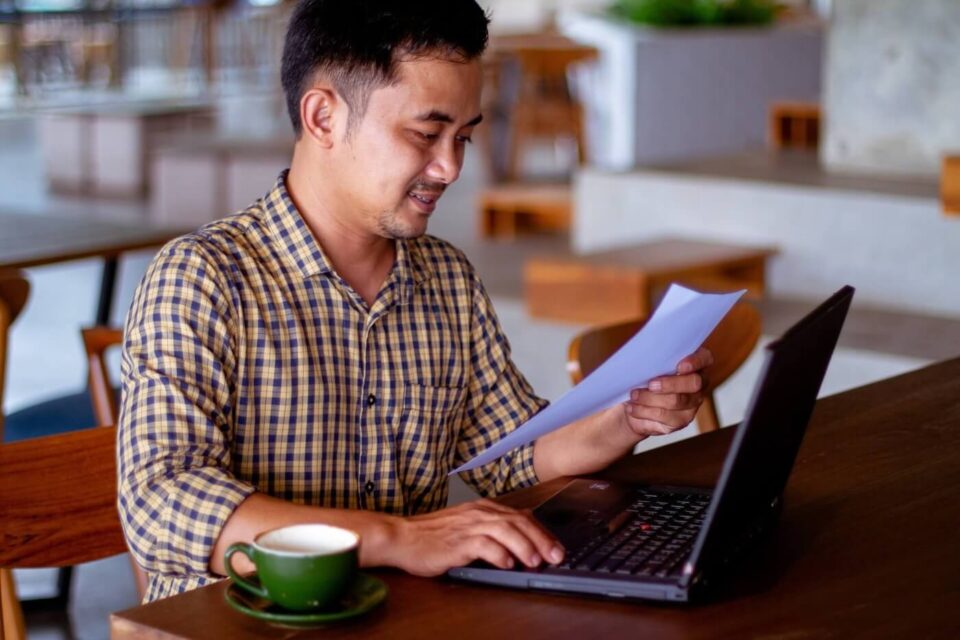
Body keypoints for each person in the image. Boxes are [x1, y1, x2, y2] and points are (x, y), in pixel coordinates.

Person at [117, 0, 713, 602]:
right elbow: (160, 505)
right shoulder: (203, 279)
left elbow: (514, 457)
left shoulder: (446, 279)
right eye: (426, 134)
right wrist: (397, 538)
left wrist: (628, 418)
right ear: (323, 117)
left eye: (463, 137)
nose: (450, 167)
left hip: (396, 615)